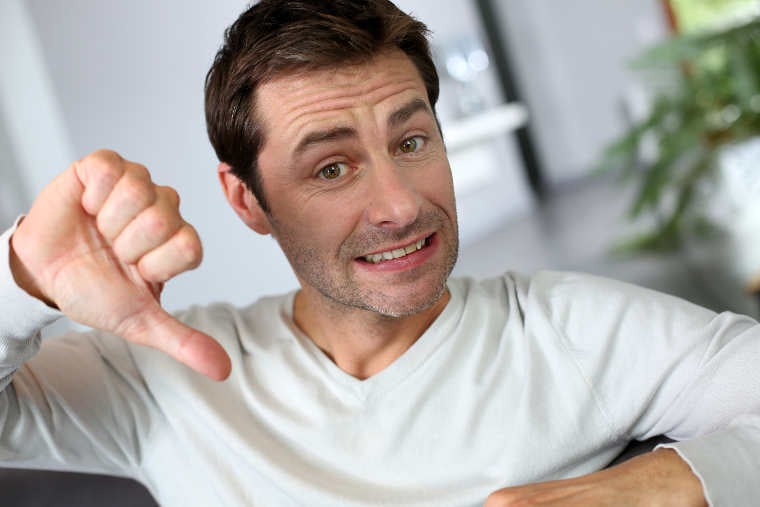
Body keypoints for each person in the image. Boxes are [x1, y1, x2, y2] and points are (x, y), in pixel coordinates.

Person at [1, 0, 758, 505]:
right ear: (247, 199)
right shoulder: (166, 382)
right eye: (331, 168)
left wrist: (666, 481)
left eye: (412, 141)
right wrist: (24, 281)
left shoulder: (569, 331)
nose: (400, 205)